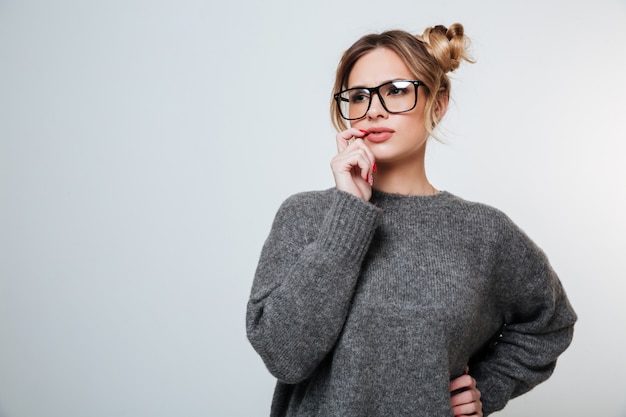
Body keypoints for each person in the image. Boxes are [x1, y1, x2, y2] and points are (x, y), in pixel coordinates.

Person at [246, 23, 577, 417]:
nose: (374, 109)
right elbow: (284, 356)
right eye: (358, 96)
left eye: (397, 90)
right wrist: (349, 214)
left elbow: (551, 322)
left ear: (438, 103)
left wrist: (486, 389)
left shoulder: (484, 232)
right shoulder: (305, 216)